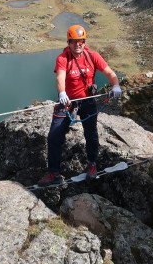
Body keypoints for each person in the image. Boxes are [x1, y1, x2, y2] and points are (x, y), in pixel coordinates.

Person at [37, 24, 122, 186]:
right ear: (69, 42)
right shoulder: (63, 58)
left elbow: (110, 73)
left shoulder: (92, 56)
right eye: (74, 41)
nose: (78, 44)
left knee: (91, 134)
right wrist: (62, 93)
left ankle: (92, 165)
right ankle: (53, 173)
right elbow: (60, 78)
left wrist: (115, 85)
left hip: (88, 101)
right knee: (54, 136)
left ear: (85, 41)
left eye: (81, 41)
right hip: (68, 102)